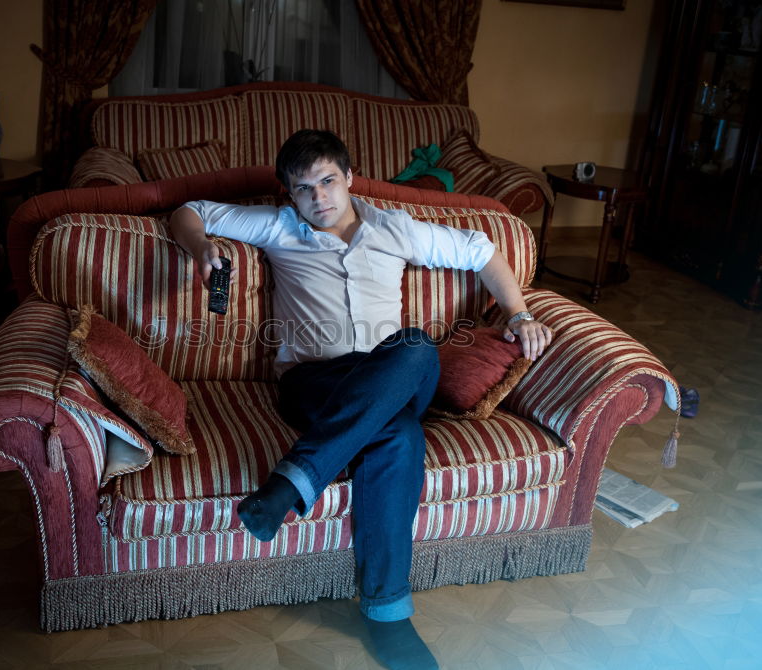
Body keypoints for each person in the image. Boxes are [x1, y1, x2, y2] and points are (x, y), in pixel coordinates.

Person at [169, 129, 551, 670]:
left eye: (328, 181)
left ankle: (291, 482)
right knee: (398, 435)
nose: (319, 197)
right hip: (315, 384)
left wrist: (520, 314)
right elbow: (190, 210)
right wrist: (202, 246)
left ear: (349, 178)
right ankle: (388, 619)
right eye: (304, 188)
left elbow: (483, 251)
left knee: (416, 348)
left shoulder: (395, 228)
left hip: (392, 375)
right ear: (289, 194)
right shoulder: (280, 227)